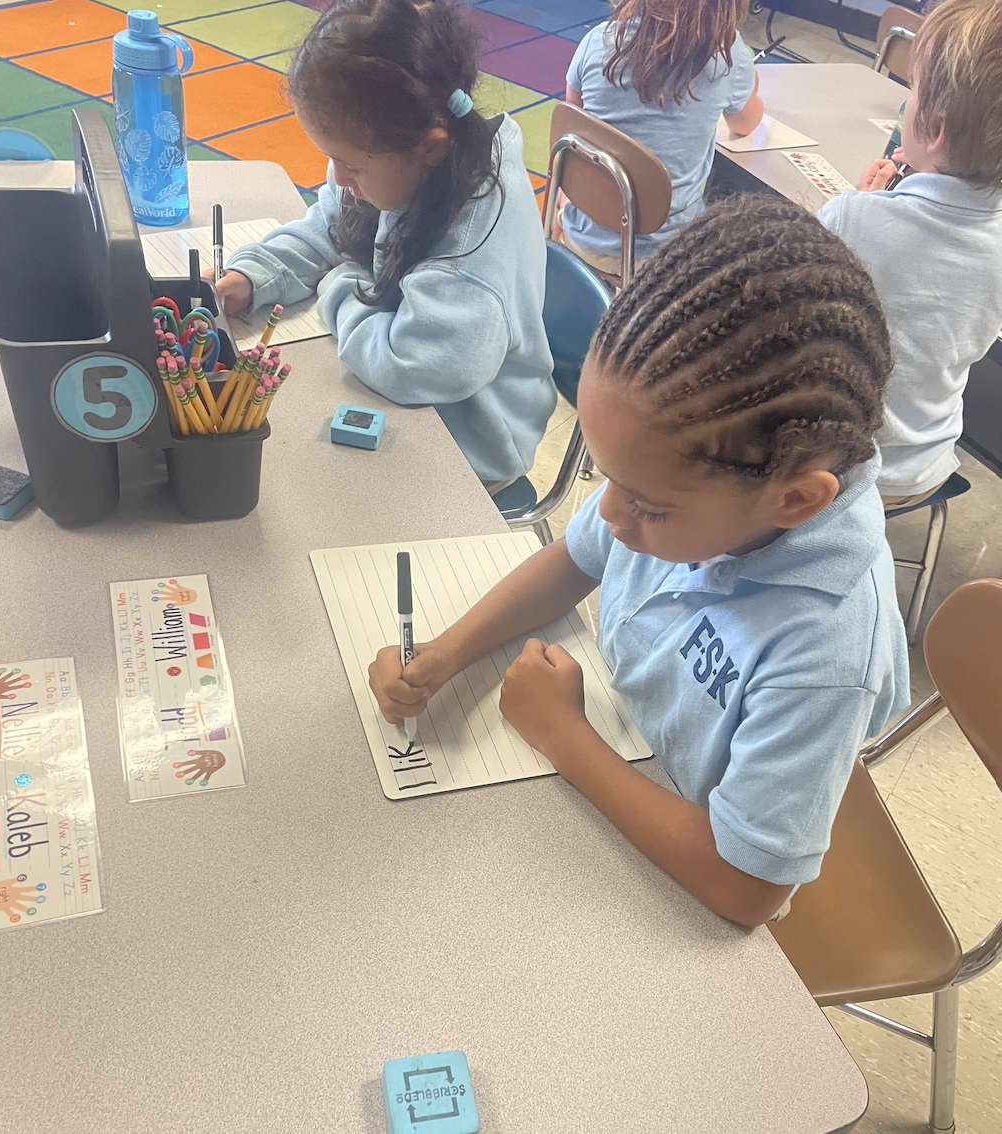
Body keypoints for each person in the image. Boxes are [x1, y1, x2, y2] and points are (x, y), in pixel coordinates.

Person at [368, 197, 910, 928]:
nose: (612, 517)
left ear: (793, 501)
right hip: (625, 765)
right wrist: (446, 651)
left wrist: (564, 735)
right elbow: (572, 559)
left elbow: (747, 890)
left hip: (679, 866)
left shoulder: (828, 648)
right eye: (605, 475)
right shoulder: (688, 483)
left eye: (650, 507)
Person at [216, 0, 556, 493]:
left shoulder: (470, 256)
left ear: (429, 147)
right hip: (414, 412)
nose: (337, 178)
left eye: (350, 165)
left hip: (470, 452)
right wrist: (257, 274)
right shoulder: (404, 151)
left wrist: (337, 285)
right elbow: (332, 218)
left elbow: (412, 365)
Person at [818, 0, 1002, 507]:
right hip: (923, 469)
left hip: (834, 470)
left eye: (912, 91)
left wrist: (859, 203)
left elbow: (791, 301)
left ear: (934, 128)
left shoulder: (853, 217)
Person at [557, 0, 763, 273]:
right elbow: (745, 124)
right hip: (669, 257)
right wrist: (750, 83)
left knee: (569, 177)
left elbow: (570, 123)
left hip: (585, 239)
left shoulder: (598, 39)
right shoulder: (730, 57)